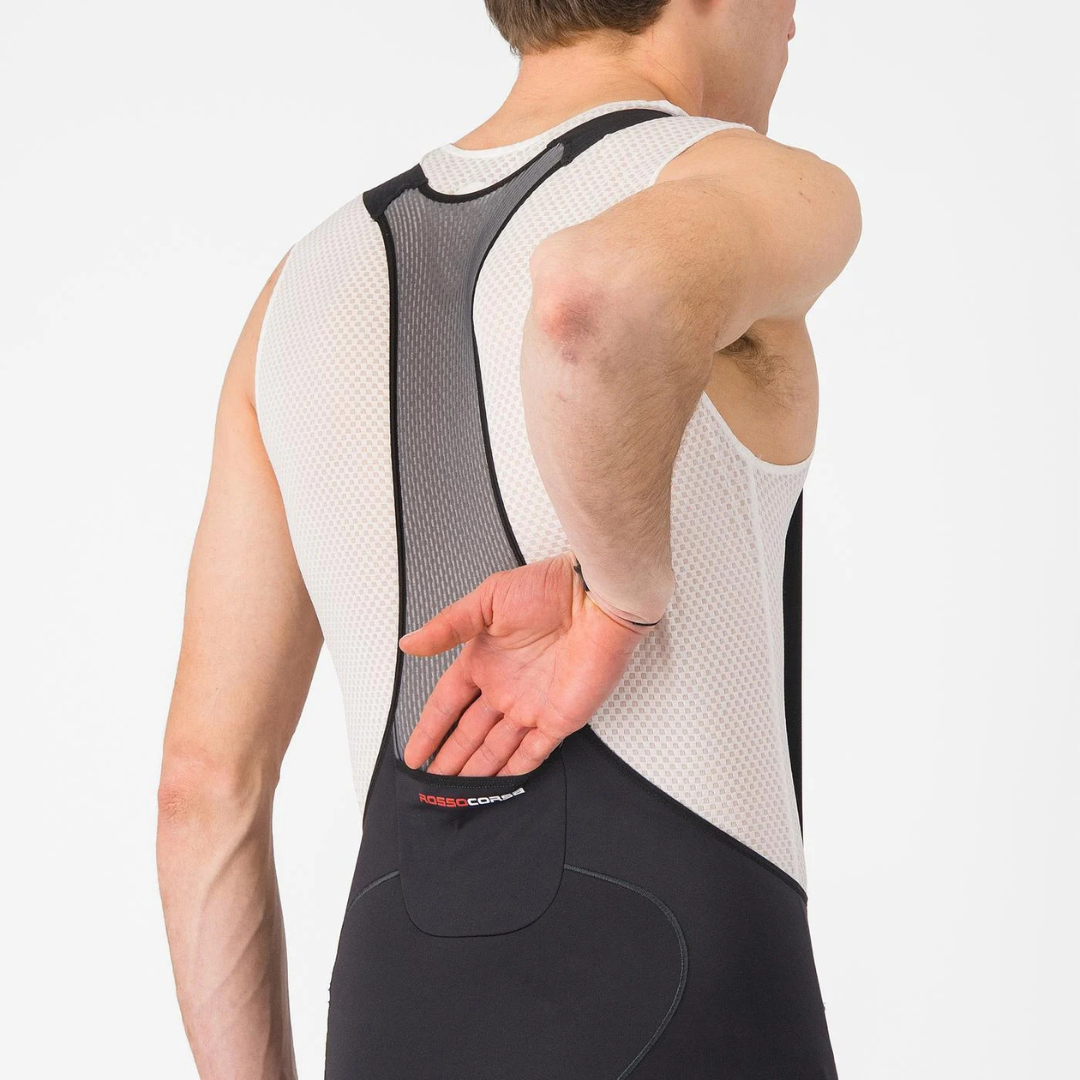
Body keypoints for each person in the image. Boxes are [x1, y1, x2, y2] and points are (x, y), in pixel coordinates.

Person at [156, 1, 861, 1076]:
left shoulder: (301, 286)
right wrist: (620, 597)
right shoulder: (739, 178)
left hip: (395, 1007)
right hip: (685, 989)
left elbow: (202, 789)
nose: (795, 22)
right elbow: (591, 297)